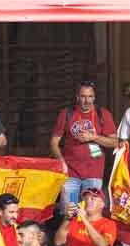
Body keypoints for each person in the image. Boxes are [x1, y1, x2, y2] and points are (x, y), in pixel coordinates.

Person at [50, 81, 117, 210]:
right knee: (70, 211)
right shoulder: (66, 113)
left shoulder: (102, 114)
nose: (87, 101)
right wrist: (61, 161)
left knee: (90, 211)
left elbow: (115, 142)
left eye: (90, 96)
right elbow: (54, 142)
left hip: (94, 173)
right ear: (77, 97)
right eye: (83, 96)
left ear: (95, 97)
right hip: (71, 174)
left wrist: (94, 137)